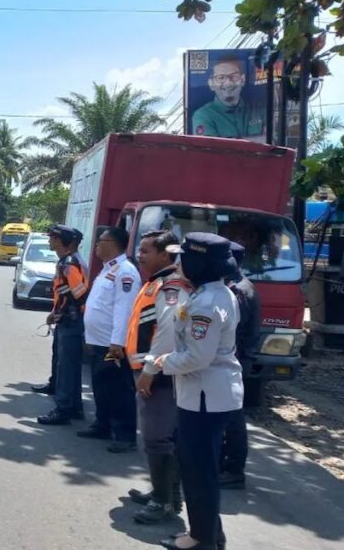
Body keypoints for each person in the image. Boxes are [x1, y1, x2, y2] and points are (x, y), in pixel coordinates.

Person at [140, 232, 241, 550]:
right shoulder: (209, 294)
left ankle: (201, 539)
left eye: (184, 257)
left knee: (198, 471)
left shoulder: (207, 304)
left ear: (198, 262)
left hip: (204, 398)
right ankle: (210, 533)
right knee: (198, 467)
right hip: (204, 395)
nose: (178, 262)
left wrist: (158, 362)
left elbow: (197, 357)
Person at [127, 231, 192, 524]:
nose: (140, 256)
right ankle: (163, 492)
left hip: (160, 375)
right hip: (150, 371)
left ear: (165, 254)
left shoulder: (171, 289)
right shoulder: (157, 283)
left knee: (157, 439)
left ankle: (164, 501)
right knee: (159, 438)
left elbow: (167, 336)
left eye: (145, 251)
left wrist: (149, 372)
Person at [79, 227, 141, 453]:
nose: (96, 244)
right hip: (98, 340)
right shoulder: (108, 269)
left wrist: (117, 343)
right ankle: (102, 424)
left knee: (118, 389)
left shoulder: (125, 271)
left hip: (112, 344)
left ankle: (125, 435)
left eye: (100, 241)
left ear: (112, 244)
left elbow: (123, 310)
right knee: (101, 386)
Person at [37, 225, 89, 425]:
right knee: (69, 366)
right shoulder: (68, 261)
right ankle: (74, 407)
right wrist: (55, 311)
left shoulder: (69, 264)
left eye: (52, 237)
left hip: (71, 321)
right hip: (68, 319)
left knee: (66, 368)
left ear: (60, 241)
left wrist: (61, 313)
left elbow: (79, 295)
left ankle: (63, 409)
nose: (49, 241)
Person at [220, 241, 260, 490]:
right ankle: (227, 464)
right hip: (237, 360)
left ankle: (234, 470)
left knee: (232, 418)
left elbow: (233, 331)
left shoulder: (238, 291)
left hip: (235, 361)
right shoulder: (237, 286)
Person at [191, 53, 264, 142]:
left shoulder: (259, 110)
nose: (228, 83)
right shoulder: (203, 115)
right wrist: (258, 140)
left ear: (243, 80)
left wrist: (229, 142)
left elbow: (273, 141)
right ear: (211, 84)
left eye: (234, 76)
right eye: (221, 78)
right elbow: (211, 149)